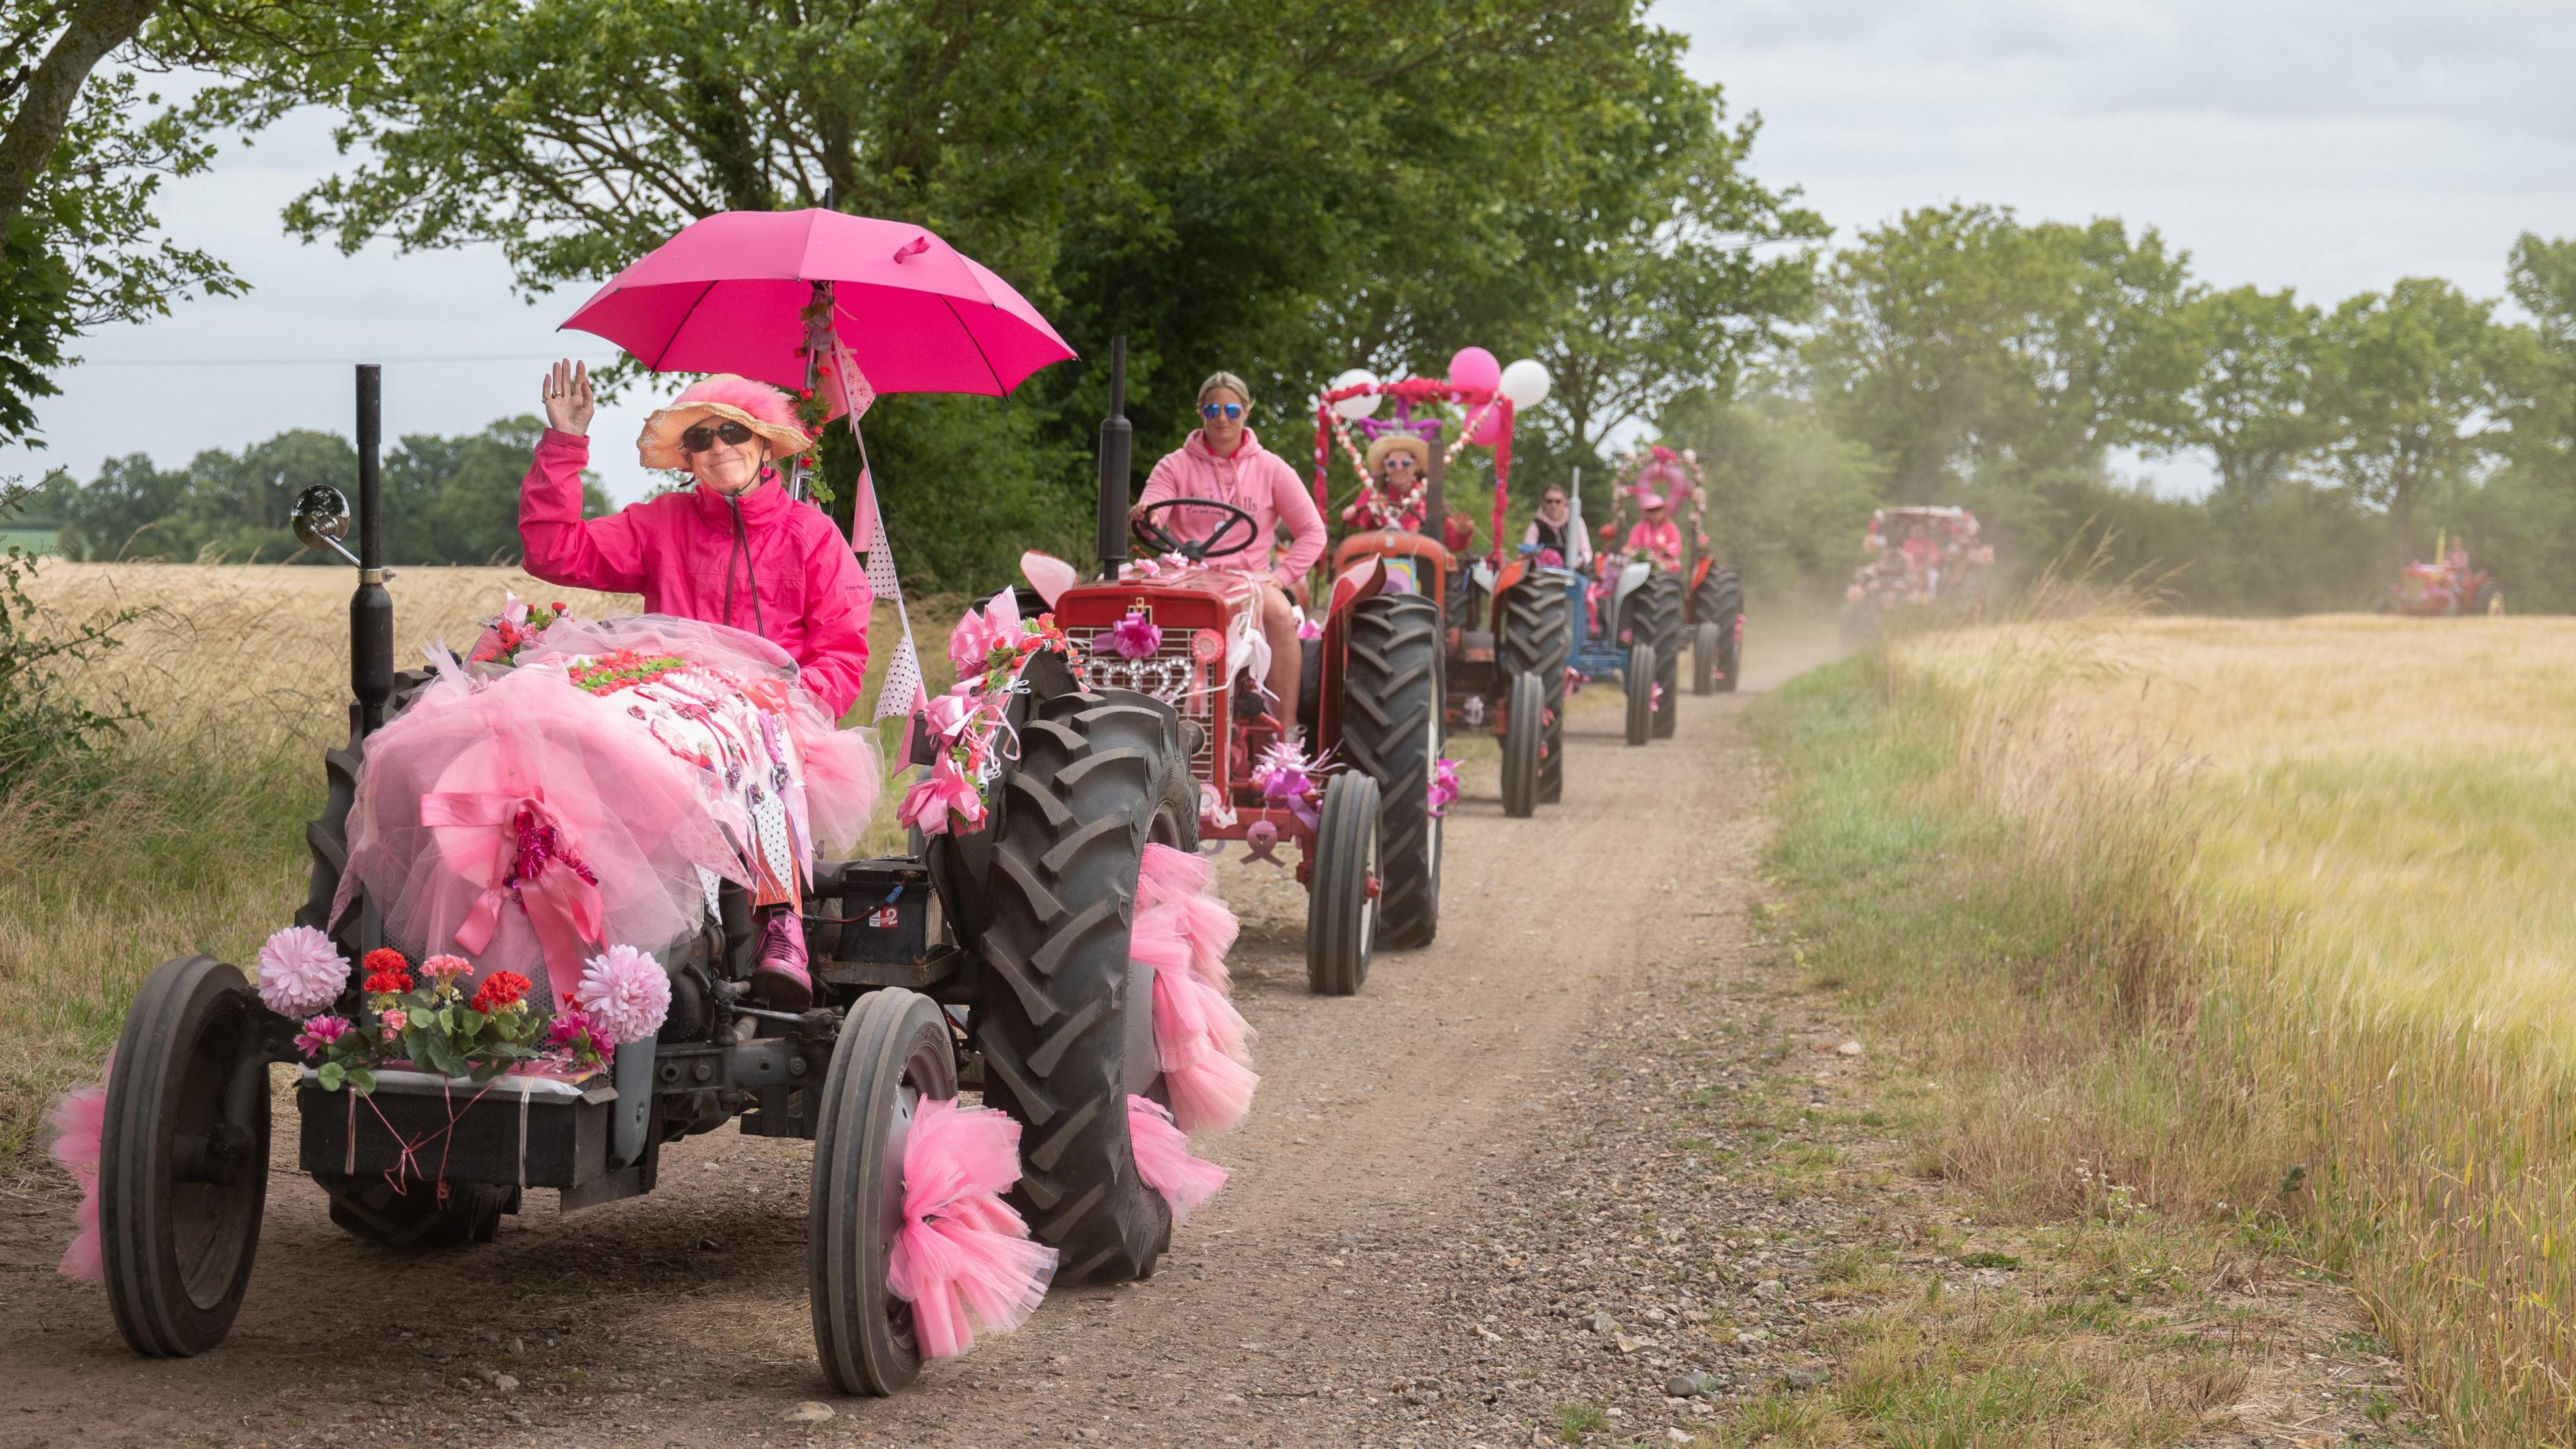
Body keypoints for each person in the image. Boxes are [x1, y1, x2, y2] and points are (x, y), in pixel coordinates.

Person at [517, 358, 873, 1010]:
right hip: (673, 714)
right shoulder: (661, 525)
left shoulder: (811, 537)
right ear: (687, 459)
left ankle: (781, 923)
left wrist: (788, 702)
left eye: (733, 434)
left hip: (774, 725)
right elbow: (555, 551)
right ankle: (583, 941)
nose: (719, 449)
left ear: (765, 444)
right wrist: (567, 442)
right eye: (701, 439)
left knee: (754, 732)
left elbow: (842, 654)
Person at [1134, 371, 1325, 729]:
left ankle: (1286, 730)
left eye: (1232, 409)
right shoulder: (1174, 464)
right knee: (1136, 611)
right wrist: (1149, 516)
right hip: (1186, 576)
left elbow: (1313, 531)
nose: (1223, 418)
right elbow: (1153, 510)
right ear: (1201, 413)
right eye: (1214, 409)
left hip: (1248, 578)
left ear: (1246, 412)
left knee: (1280, 614)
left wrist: (1281, 577)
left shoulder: (1271, 468)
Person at [1353, 435, 1430, 532]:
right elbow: (1353, 521)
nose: (1399, 468)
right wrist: (1365, 510)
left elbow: (1452, 539)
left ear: (1417, 465)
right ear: (1384, 467)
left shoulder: (1430, 496)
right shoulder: (1372, 492)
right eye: (1392, 463)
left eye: (1406, 463)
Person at [1523, 484, 1591, 570]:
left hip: (1573, 571)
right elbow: (1528, 550)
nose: (1554, 505)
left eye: (1558, 501)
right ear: (1543, 502)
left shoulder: (1576, 521)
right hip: (1544, 572)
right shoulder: (1536, 525)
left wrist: (1579, 561)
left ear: (1564, 502)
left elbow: (1586, 552)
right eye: (1549, 501)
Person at [1625, 492, 1682, 571]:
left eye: (1658, 510)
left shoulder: (1671, 528)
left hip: (1664, 563)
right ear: (1647, 513)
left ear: (1663, 510)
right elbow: (1631, 546)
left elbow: (1676, 546)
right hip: (1642, 564)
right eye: (1651, 511)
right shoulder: (1639, 527)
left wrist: (1665, 553)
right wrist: (1630, 552)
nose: (1655, 513)